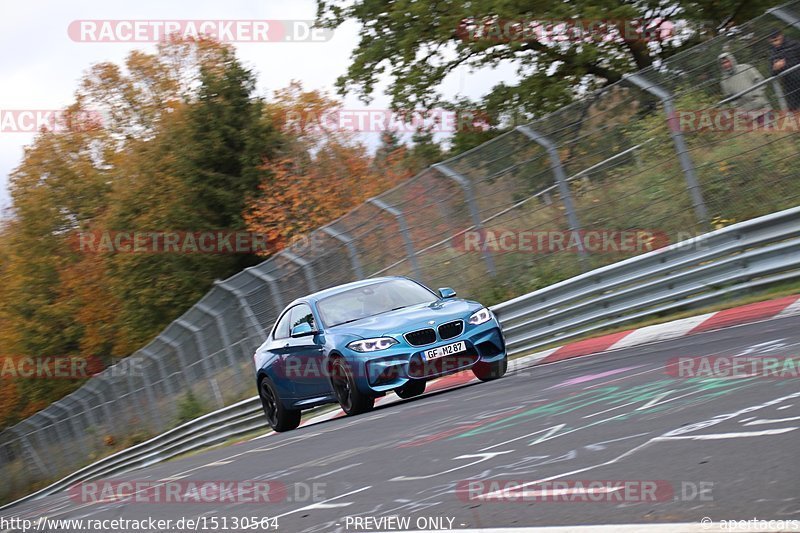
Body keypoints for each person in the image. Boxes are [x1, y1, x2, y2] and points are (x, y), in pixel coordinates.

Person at [718, 52, 770, 124]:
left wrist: (756, 95)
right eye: (723, 63)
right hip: (746, 113)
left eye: (727, 61)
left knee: (770, 129)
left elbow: (760, 81)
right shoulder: (724, 81)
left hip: (760, 106)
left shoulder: (745, 68)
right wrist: (739, 110)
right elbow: (730, 99)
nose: (726, 65)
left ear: (732, 60)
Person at [768, 30, 800, 110]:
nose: (775, 43)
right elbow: (772, 73)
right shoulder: (773, 53)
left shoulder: (794, 44)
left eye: (776, 40)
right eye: (773, 41)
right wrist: (775, 68)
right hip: (790, 87)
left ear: (781, 36)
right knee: (794, 109)